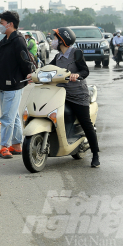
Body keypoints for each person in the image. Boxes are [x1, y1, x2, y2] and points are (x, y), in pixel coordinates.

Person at [44, 27, 100, 167]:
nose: (53, 41)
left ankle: (95, 154)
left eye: (56, 38)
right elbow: (47, 69)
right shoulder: (58, 57)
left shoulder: (76, 53)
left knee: (86, 124)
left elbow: (85, 70)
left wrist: (77, 75)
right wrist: (34, 73)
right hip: (61, 95)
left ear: (63, 40)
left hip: (78, 95)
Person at [0, 11, 35, 159]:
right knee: (14, 115)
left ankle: (4, 146)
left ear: (10, 24)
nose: (0, 26)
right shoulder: (5, 40)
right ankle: (17, 144)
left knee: (7, 117)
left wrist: (28, 75)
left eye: (2, 23)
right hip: (3, 83)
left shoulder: (18, 40)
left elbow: (24, 61)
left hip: (13, 84)